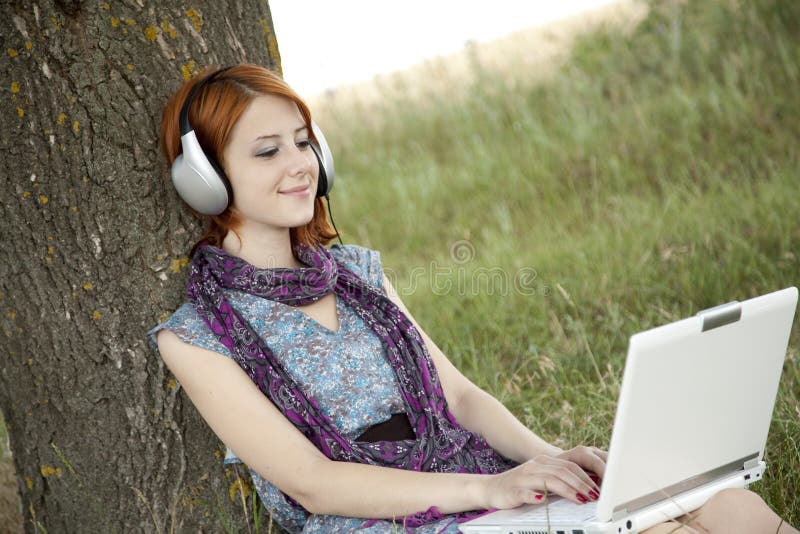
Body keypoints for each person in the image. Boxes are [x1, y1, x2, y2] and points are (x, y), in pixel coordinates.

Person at [148, 64, 798, 534]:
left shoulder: (356, 272)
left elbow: (458, 396)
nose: (300, 164)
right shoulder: (197, 337)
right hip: (384, 521)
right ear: (205, 179)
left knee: (712, 498)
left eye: (302, 141)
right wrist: (491, 489)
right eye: (268, 151)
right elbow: (312, 485)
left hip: (470, 468)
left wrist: (545, 458)